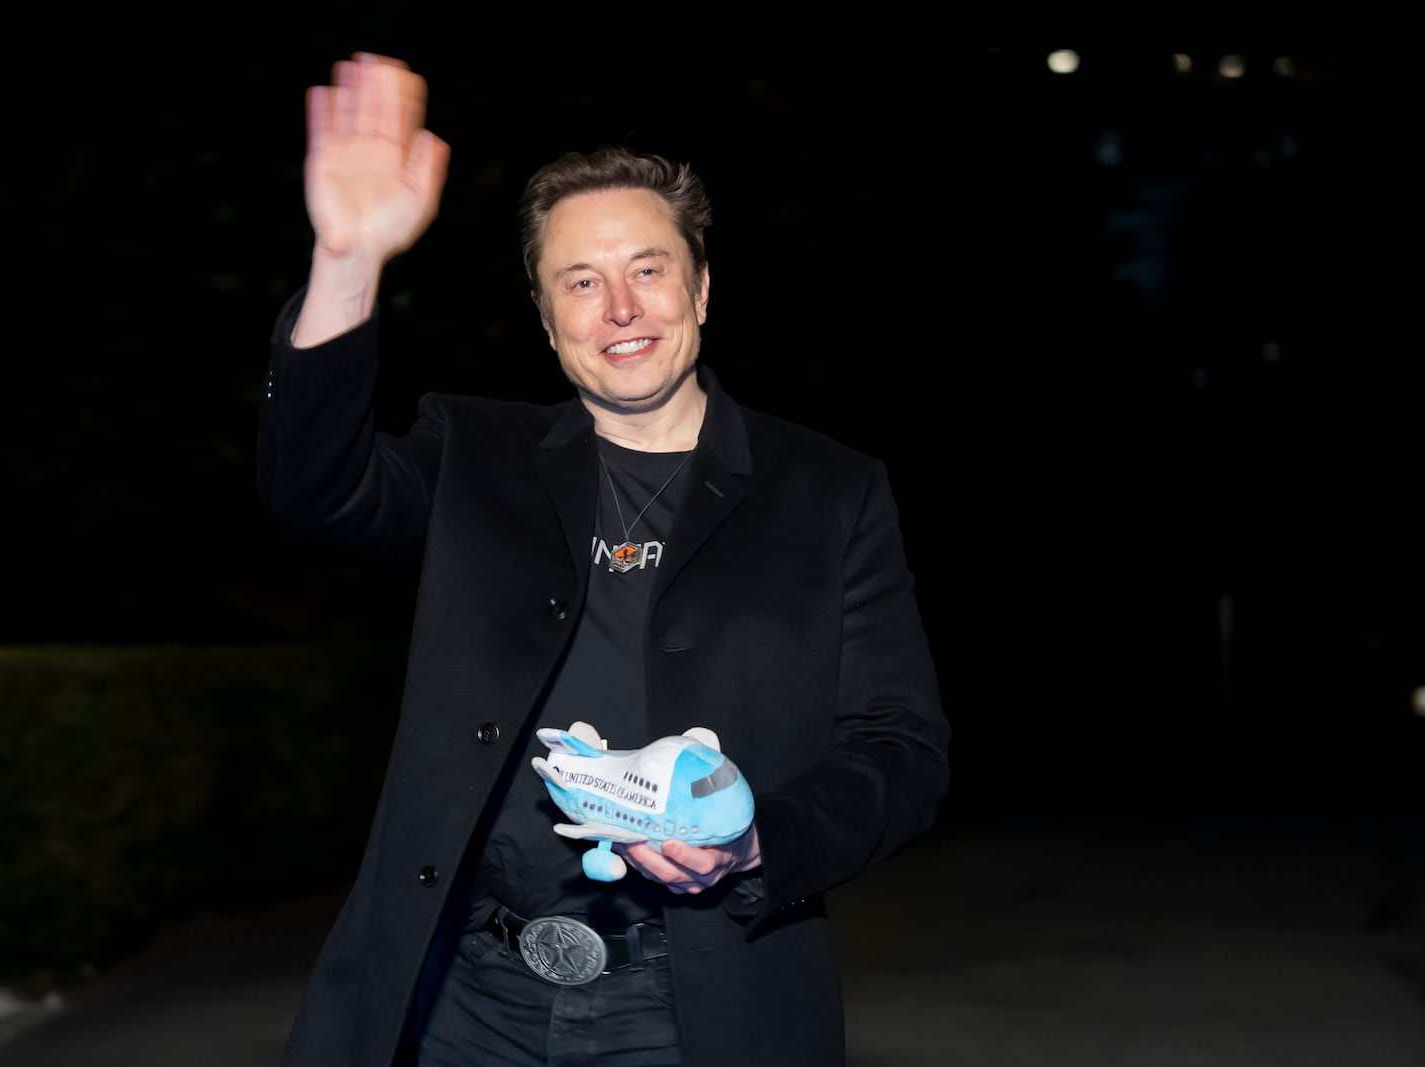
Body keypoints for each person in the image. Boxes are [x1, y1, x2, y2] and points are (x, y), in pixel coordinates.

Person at [257, 52, 950, 1067]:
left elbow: (902, 744)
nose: (618, 306)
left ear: (701, 288)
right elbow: (311, 487)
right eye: (579, 281)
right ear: (546, 321)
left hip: (698, 1001)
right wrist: (348, 257)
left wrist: (762, 840)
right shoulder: (473, 456)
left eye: (647, 269)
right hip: (458, 998)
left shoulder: (829, 490)